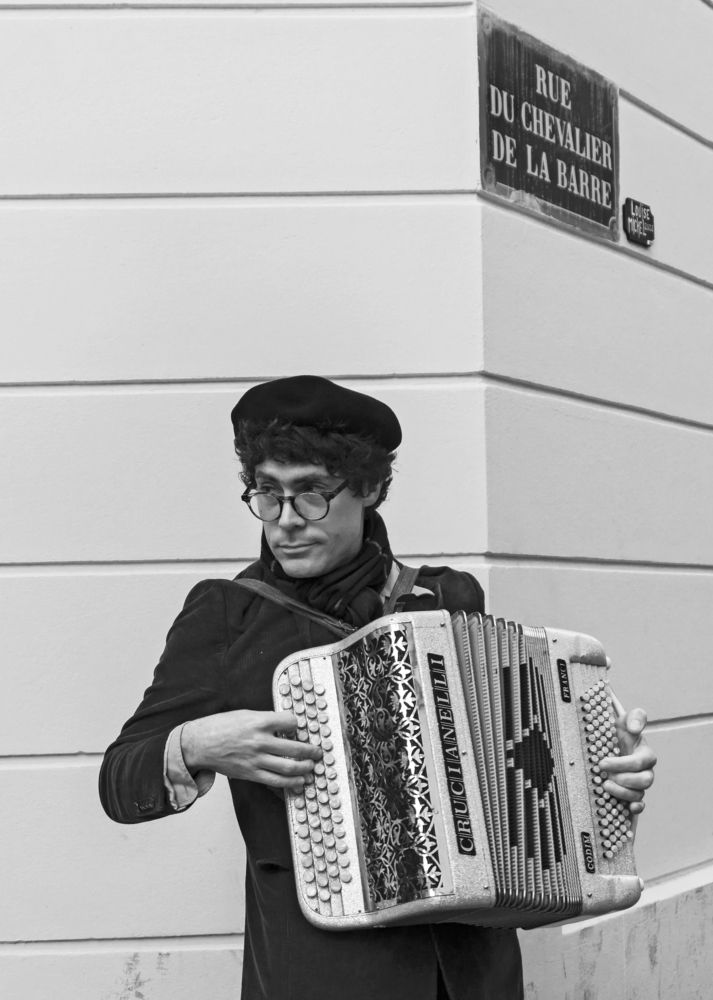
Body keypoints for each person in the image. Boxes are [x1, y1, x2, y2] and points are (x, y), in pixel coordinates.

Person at [99, 375, 656, 1000]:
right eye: (267, 494)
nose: (285, 521)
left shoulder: (446, 597)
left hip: (473, 971)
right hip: (322, 975)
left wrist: (601, 775)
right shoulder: (228, 616)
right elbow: (120, 779)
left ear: (368, 488)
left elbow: (524, 761)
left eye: (312, 493)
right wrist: (195, 745)